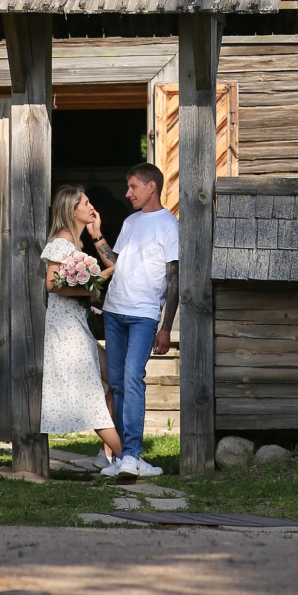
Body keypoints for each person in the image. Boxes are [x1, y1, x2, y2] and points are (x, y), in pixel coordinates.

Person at [100, 162, 178, 480]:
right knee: (117, 384)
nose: (127, 193)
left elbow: (174, 281)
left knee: (133, 379)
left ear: (151, 187)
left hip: (144, 315)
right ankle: (122, 456)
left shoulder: (170, 225)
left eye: (133, 186)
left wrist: (166, 326)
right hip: (114, 311)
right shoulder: (131, 222)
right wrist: (96, 235)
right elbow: (116, 262)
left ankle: (132, 454)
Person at [39, 184, 123, 466]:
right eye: (85, 203)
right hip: (65, 328)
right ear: (71, 209)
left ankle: (108, 456)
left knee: (113, 379)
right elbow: (52, 284)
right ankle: (127, 458)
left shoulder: (77, 244)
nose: (91, 207)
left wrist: (91, 288)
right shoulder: (61, 242)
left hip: (78, 324)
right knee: (92, 395)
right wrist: (93, 286)